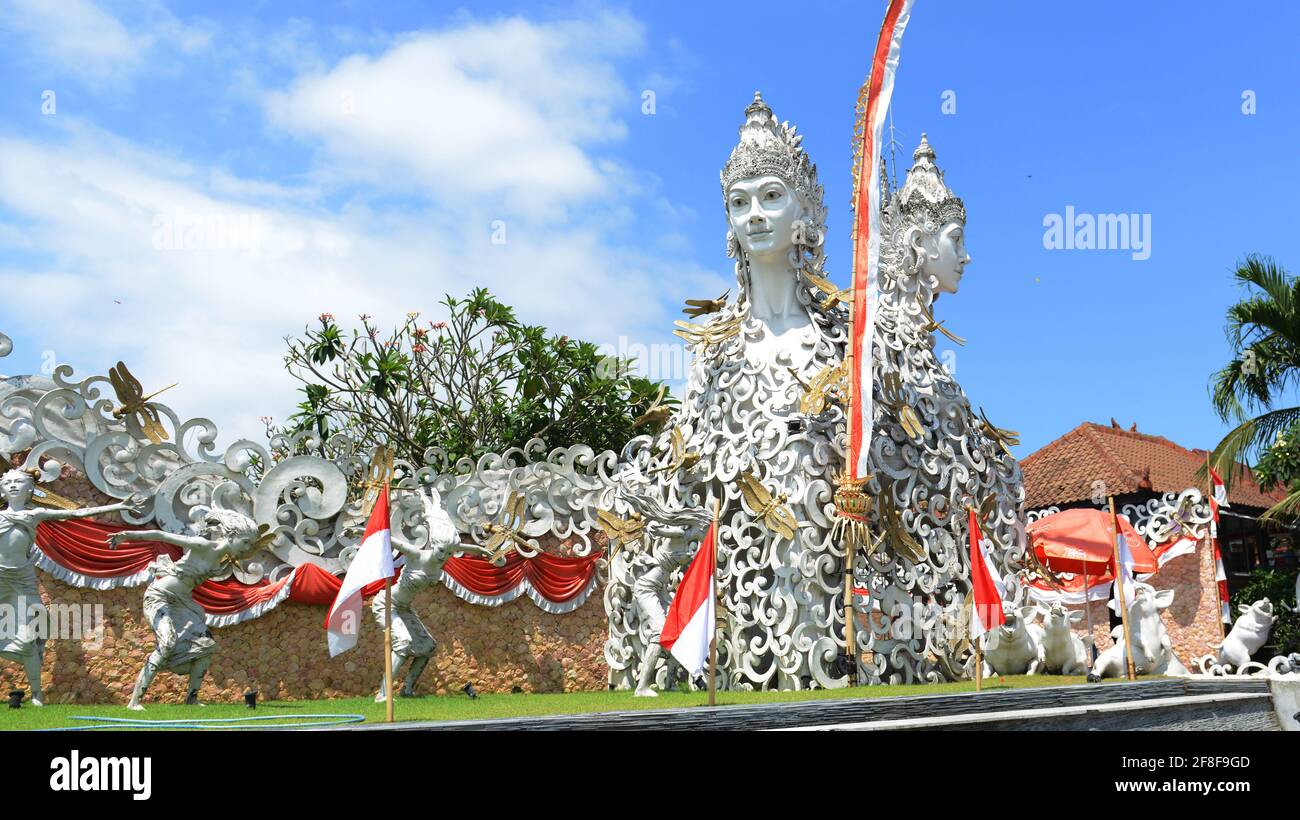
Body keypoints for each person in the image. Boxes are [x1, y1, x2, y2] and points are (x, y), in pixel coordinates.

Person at [0, 468, 146, 705]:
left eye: (19, 482)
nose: (14, 485)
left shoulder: (34, 514)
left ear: (30, 490)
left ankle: (36, 693)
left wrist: (117, 507)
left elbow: (78, 514)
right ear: (2, 490)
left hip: (22, 579)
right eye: (9, 482)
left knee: (32, 633)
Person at [108, 508, 263, 710]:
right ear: (231, 536)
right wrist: (126, 536)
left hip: (183, 601)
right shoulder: (203, 546)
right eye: (245, 542)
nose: (247, 549)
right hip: (160, 597)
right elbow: (161, 535)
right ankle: (134, 702)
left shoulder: (221, 560)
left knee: (206, 647)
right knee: (168, 642)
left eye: (250, 544)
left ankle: (191, 698)